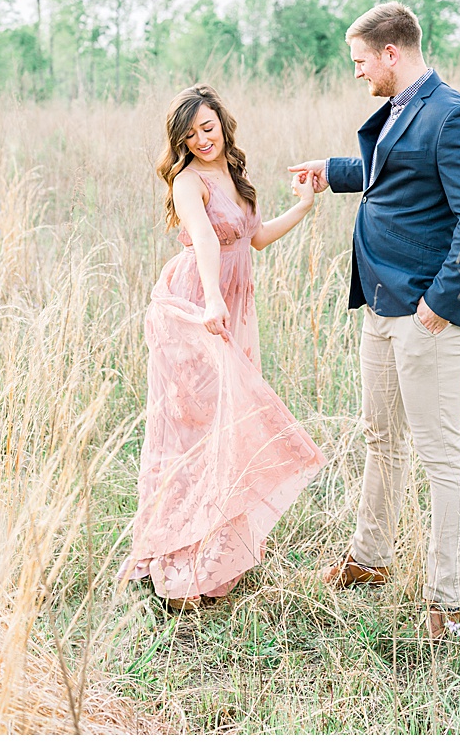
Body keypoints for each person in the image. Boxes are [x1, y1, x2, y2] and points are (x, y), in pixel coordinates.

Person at [292, 2, 460, 642]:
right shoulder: (402, 109)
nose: (356, 74)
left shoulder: (453, 115)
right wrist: (334, 173)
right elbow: (395, 176)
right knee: (378, 438)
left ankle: (447, 601)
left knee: (441, 454)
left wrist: (440, 306)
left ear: (392, 53)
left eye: (360, 61)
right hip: (381, 305)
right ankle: (371, 558)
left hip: (427, 316)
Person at [120, 85, 326, 612]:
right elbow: (207, 240)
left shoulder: (231, 173)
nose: (202, 140)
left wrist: (304, 205)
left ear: (222, 124)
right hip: (197, 301)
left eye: (208, 128)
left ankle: (215, 554)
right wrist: (213, 304)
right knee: (194, 427)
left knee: (227, 425)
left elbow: (253, 238)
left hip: (233, 300)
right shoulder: (188, 182)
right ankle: (176, 559)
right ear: (180, 141)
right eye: (190, 135)